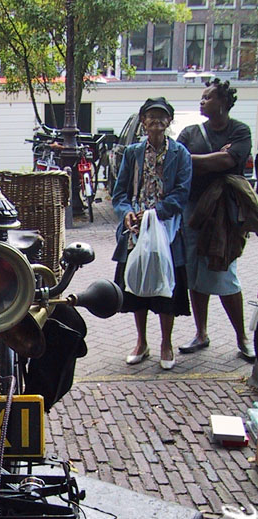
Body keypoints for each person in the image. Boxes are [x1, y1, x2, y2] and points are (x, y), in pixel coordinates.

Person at [177, 78, 256, 362]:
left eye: (208, 97)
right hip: (193, 210)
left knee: (224, 271)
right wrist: (211, 158)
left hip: (225, 212)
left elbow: (226, 163)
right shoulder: (189, 131)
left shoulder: (240, 130)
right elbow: (179, 161)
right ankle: (201, 333)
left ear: (223, 103)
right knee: (196, 272)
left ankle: (242, 338)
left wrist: (196, 159)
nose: (202, 101)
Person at [112, 97, 192, 370]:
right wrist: (127, 212)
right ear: (143, 122)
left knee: (166, 289)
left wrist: (155, 214)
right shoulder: (132, 153)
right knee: (137, 286)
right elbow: (119, 192)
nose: (156, 121)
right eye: (151, 116)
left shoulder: (180, 153)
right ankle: (141, 341)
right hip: (135, 231)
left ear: (169, 121)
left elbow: (182, 193)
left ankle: (166, 343)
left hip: (165, 230)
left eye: (162, 116)